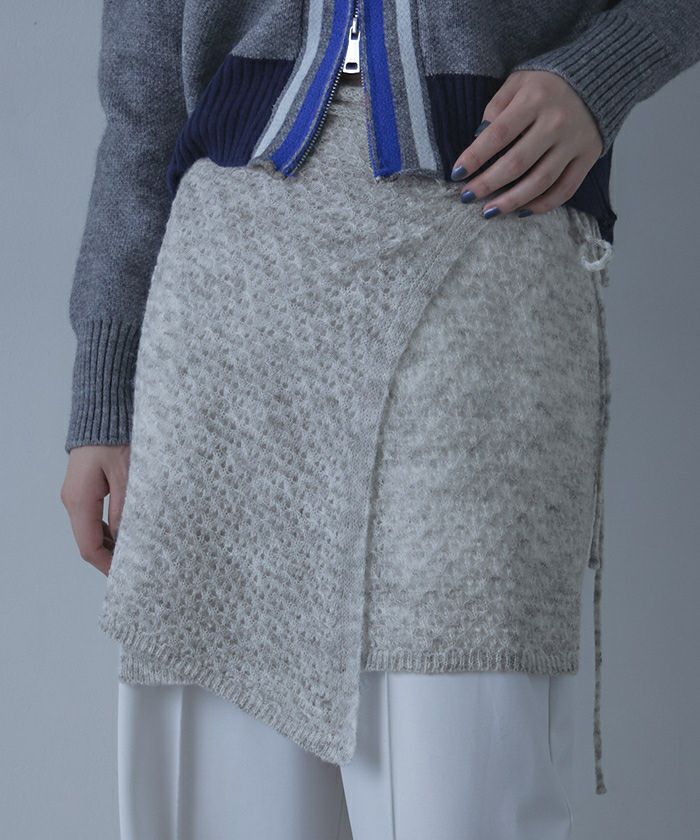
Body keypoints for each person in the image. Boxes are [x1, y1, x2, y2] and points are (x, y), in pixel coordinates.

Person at [60, 2, 700, 838]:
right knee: (226, 802)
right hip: (224, 301)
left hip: (483, 278)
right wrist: (104, 387)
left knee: (463, 779)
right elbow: (143, 104)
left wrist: (604, 69)